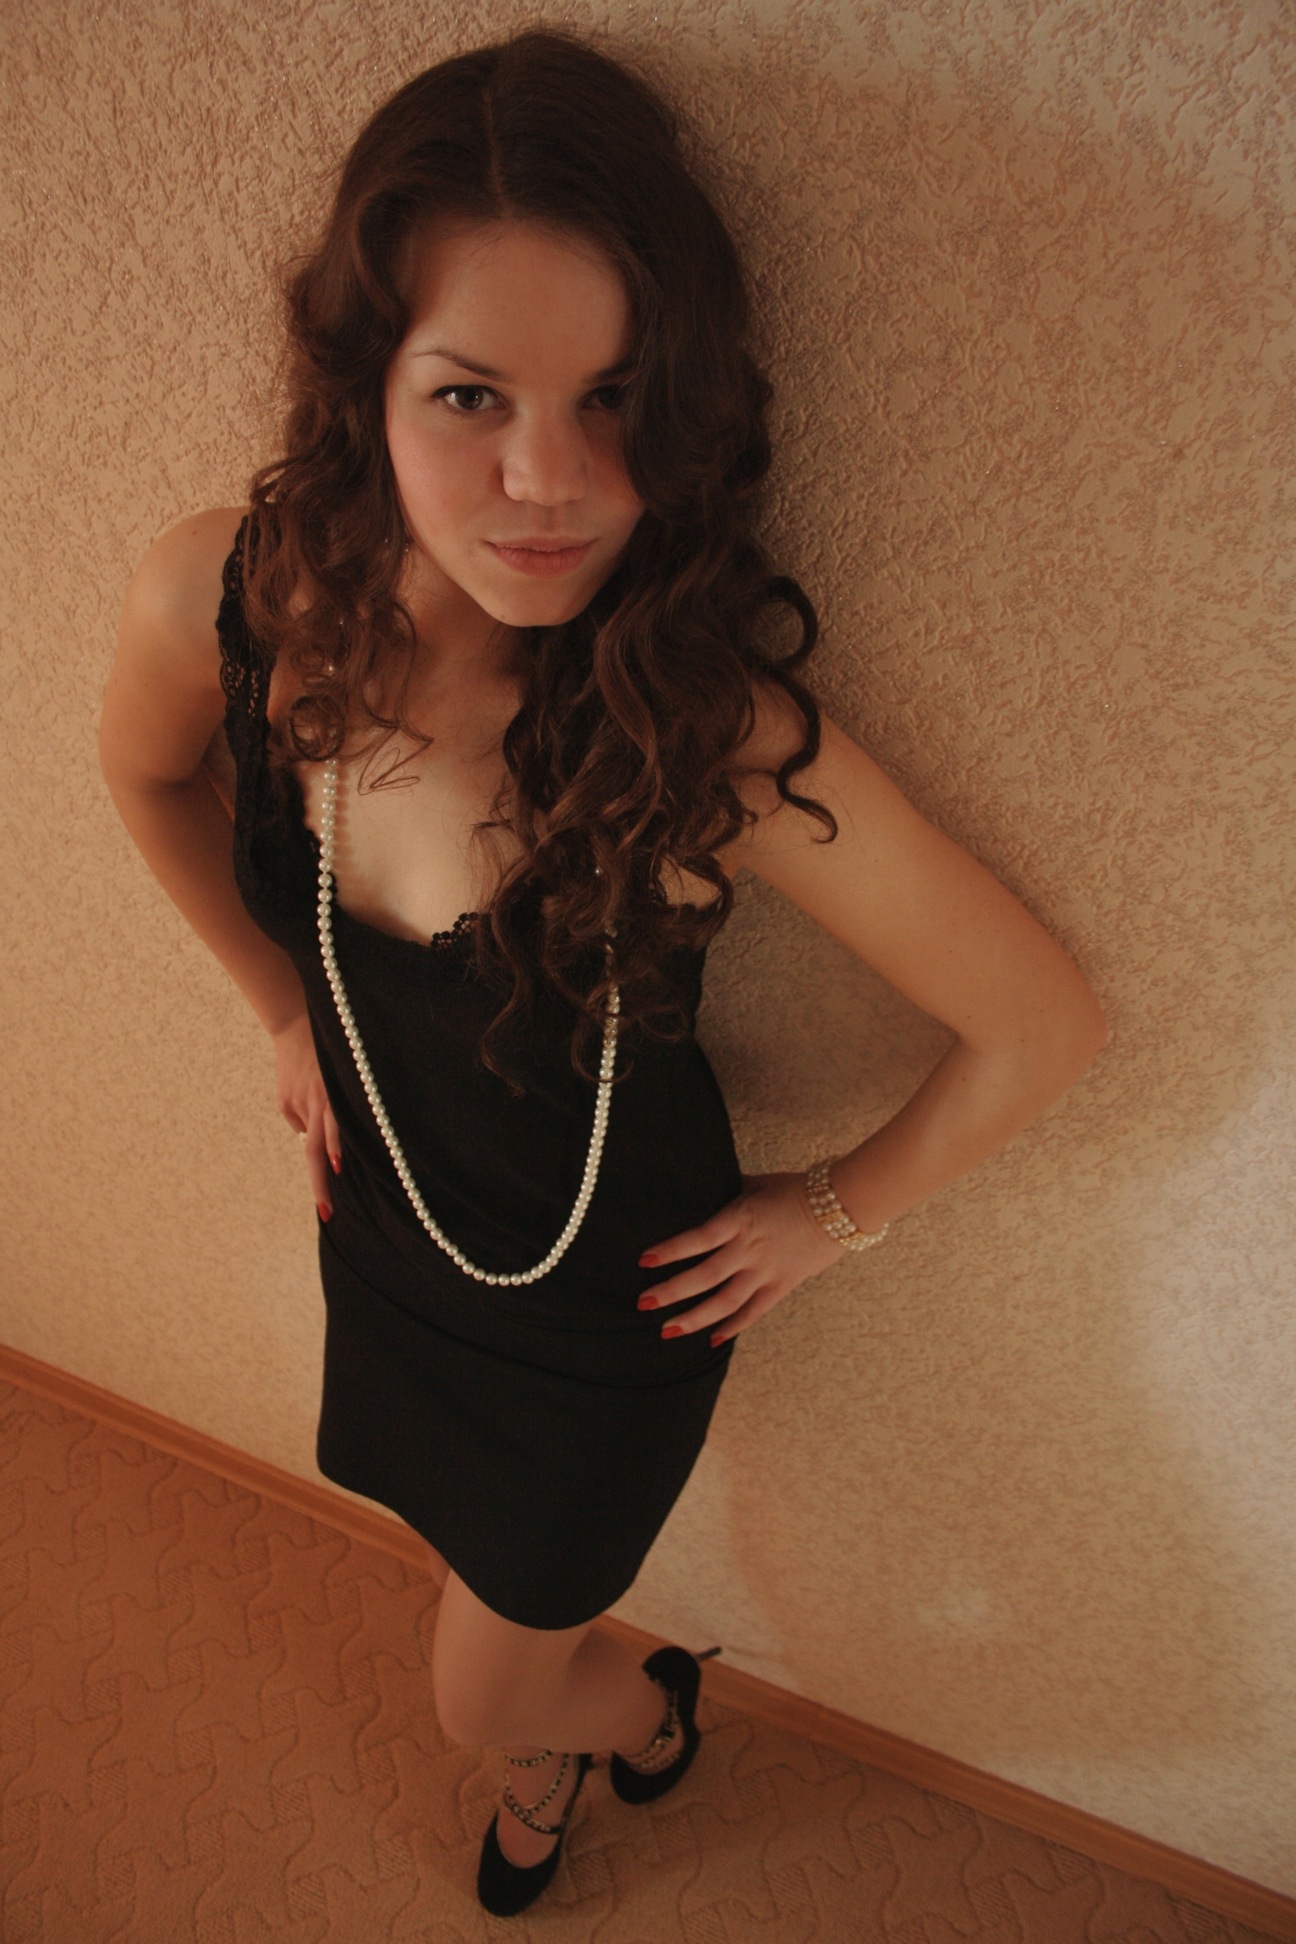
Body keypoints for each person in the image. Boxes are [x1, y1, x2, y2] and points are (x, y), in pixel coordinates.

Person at [97, 26, 1107, 1917]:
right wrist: (280, 1002)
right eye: (470, 393)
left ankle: (635, 1704)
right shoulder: (229, 600)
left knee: (479, 1682)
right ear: (364, 382)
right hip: (387, 1229)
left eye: (616, 396)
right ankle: (566, 1721)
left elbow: (1042, 1023)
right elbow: (146, 779)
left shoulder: (701, 729)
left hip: (600, 1317)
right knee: (449, 1549)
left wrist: (835, 1211)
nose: (550, 481)